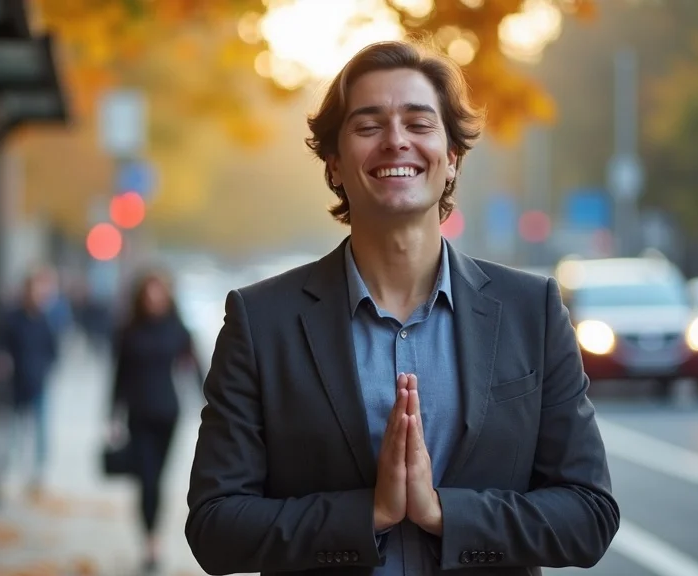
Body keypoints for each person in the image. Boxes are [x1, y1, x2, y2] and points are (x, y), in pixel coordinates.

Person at [185, 39, 619, 576]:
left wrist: (446, 514)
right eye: (369, 127)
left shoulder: (532, 311)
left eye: (418, 123)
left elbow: (589, 514)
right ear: (336, 165)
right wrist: (367, 514)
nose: (396, 141)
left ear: (452, 158)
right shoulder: (261, 322)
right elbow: (214, 527)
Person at [111, 270, 204, 573]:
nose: (154, 300)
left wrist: (213, 406)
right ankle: (150, 541)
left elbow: (196, 370)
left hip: (168, 414)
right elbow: (119, 376)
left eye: (159, 294)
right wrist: (111, 414)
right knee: (146, 480)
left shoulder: (178, 330)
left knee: (158, 481)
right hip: (137, 415)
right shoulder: (129, 331)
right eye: (149, 294)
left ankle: (154, 537)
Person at [0, 269, 61, 495]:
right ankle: (3, 470)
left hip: (38, 381)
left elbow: (53, 350)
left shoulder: (44, 319)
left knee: (39, 430)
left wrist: (44, 368)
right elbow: (1, 345)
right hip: (15, 382)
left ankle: (36, 473)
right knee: (11, 429)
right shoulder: (12, 318)